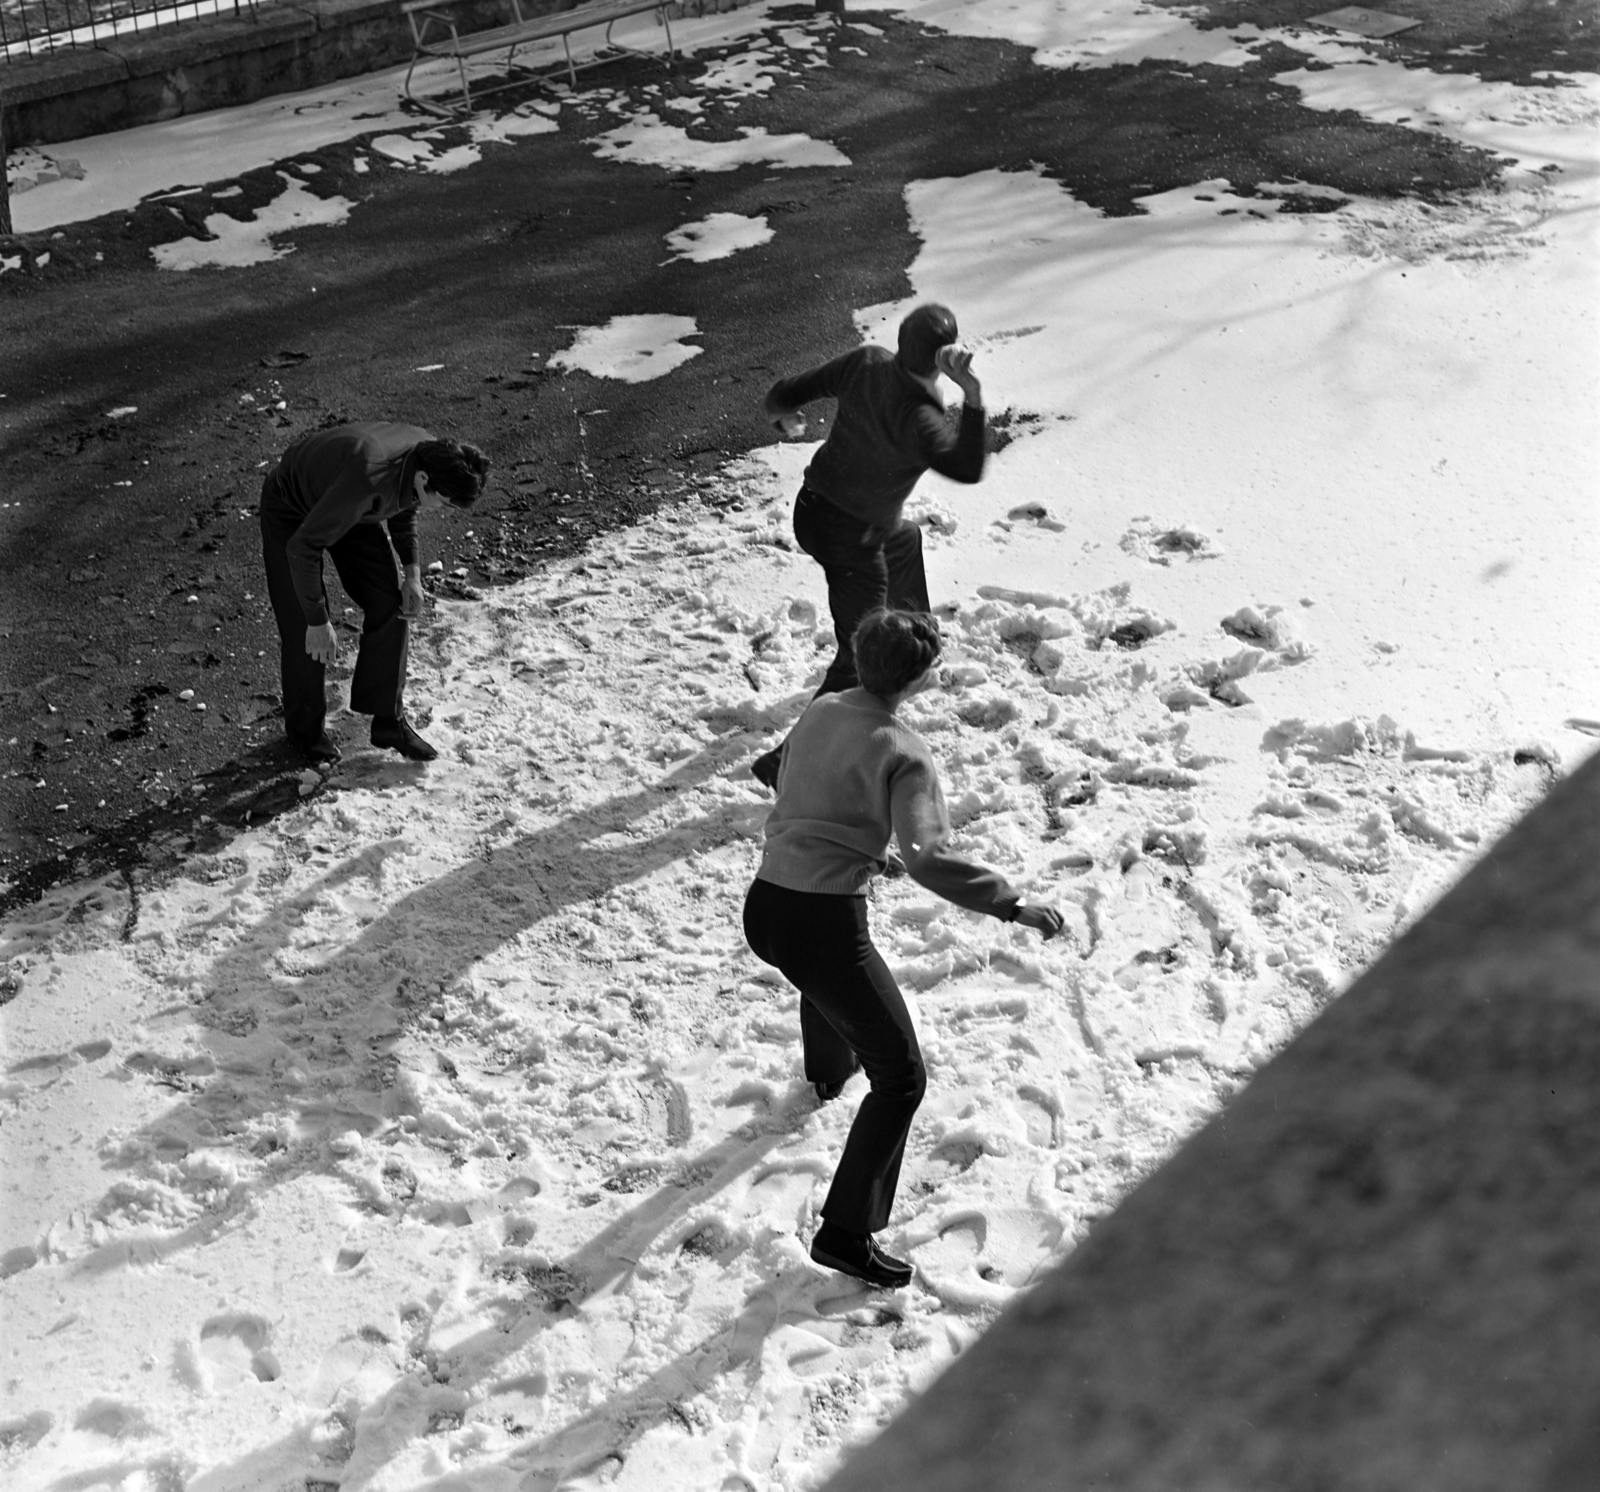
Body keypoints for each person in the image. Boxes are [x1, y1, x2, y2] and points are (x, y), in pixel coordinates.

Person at [742, 608, 1064, 1289]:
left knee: (821, 979)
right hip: (821, 923)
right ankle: (846, 1234)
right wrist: (1009, 902)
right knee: (902, 1079)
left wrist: (856, 843)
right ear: (920, 679)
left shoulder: (824, 709)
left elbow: (791, 779)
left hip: (766, 904)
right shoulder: (903, 751)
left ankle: (827, 1071)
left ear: (858, 656)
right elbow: (929, 856)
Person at [752, 303, 986, 789]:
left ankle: (916, 651)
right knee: (858, 658)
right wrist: (973, 394)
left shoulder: (868, 362)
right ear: (945, 356)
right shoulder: (919, 417)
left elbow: (785, 394)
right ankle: (786, 763)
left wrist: (783, 416)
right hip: (850, 539)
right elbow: (967, 468)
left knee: (903, 540)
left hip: (813, 509)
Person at [259, 422, 488, 765]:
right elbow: (302, 548)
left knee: (391, 603)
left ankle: (388, 722)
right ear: (425, 478)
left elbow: (406, 504)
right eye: (443, 501)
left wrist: (412, 575)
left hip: (352, 507)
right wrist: (318, 620)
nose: (442, 509)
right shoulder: (368, 476)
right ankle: (305, 734)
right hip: (292, 510)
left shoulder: (429, 455)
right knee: (303, 629)